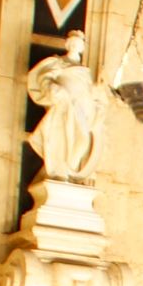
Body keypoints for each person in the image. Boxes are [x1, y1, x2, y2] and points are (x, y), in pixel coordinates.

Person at [26, 29, 108, 185]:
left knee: (82, 141)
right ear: (68, 44)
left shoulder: (85, 71)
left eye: (80, 44)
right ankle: (61, 171)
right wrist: (54, 90)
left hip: (83, 108)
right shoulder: (58, 63)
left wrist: (99, 90)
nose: (77, 46)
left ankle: (69, 171)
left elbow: (90, 90)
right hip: (66, 106)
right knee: (66, 136)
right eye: (74, 43)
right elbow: (45, 79)